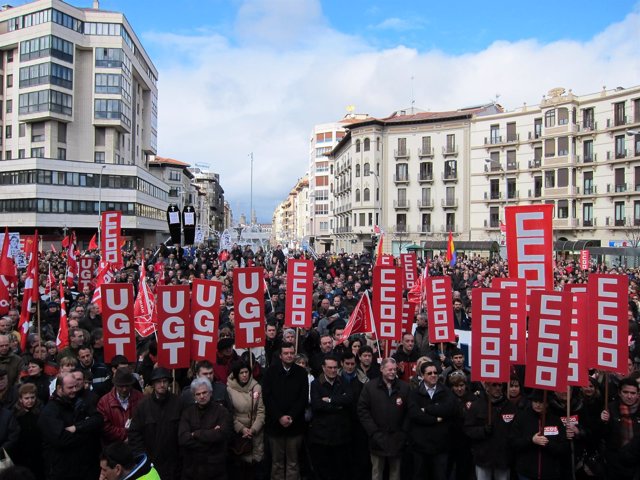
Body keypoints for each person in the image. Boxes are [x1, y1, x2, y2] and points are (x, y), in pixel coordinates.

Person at [38, 372, 104, 480]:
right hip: (62, 470)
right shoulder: (49, 412)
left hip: (85, 467)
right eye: (70, 387)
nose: (74, 390)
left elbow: (98, 419)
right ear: (59, 388)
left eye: (76, 386)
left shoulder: (80, 402)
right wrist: (88, 433)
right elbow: (63, 440)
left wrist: (77, 428)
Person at [262, 342, 309, 480]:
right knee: (277, 463)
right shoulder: (271, 372)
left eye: (291, 353)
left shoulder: (301, 373)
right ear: (281, 356)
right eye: (286, 353)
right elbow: (267, 397)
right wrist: (279, 416)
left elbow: (303, 397)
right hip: (275, 426)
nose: (289, 355)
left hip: (295, 425)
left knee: (293, 462)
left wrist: (291, 416)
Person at [357, 358, 410, 480]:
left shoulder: (404, 387)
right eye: (390, 369)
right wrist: (374, 432)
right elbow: (363, 410)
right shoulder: (370, 387)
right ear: (382, 369)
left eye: (395, 369)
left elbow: (409, 412)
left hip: (397, 439)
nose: (393, 372)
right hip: (377, 439)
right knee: (377, 472)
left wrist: (403, 433)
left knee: (395, 473)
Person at [129, 367, 181, 480]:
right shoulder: (143, 406)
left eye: (165, 381)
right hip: (150, 464)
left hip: (174, 464)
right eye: (158, 381)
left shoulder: (178, 403)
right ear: (153, 383)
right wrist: (143, 459)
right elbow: (134, 434)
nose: (162, 385)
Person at [407, 361, 457, 480]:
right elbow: (415, 415)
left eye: (435, 372)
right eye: (429, 373)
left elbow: (449, 409)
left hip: (441, 446)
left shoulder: (446, 392)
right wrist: (436, 419)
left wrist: (427, 409)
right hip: (420, 447)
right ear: (423, 376)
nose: (433, 375)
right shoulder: (414, 394)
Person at [309, 355, 353, 480]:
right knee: (323, 469)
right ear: (323, 368)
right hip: (322, 436)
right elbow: (317, 406)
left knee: (340, 469)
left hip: (341, 435)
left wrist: (329, 400)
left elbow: (349, 399)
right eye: (330, 367)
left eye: (335, 367)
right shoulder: (316, 384)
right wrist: (338, 405)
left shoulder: (343, 381)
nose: (333, 370)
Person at [178, 377, 232, 480]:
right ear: (194, 396)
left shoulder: (222, 411)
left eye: (204, 392)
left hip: (216, 470)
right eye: (198, 394)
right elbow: (183, 438)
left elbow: (222, 435)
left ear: (210, 393)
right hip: (192, 470)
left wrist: (195, 434)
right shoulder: (187, 413)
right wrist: (211, 436)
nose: (202, 396)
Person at [510, 389, 569, 480]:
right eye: (535, 401)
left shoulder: (556, 420)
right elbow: (513, 442)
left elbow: (563, 447)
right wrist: (531, 440)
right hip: (526, 472)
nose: (538, 405)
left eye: (541, 402)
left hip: (550, 473)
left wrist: (547, 443)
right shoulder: (522, 418)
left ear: (547, 403)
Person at [464, 381, 515, 480]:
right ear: (487, 386)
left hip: (503, 458)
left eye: (500, 385)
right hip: (483, 457)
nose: (497, 388)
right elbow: (468, 429)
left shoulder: (510, 407)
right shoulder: (476, 406)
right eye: (494, 385)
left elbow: (516, 430)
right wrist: (483, 431)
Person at [226, 361, 265, 480]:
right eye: (241, 372)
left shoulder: (256, 387)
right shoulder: (229, 389)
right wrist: (242, 429)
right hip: (239, 435)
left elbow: (261, 411)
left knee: (256, 469)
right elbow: (229, 414)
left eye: (246, 372)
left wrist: (253, 429)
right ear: (236, 374)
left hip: (255, 433)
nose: (244, 375)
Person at [599, 377, 640, 480]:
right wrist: (603, 422)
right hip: (615, 464)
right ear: (619, 392)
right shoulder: (610, 408)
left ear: (638, 394)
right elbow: (601, 435)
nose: (629, 396)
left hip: (636, 465)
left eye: (633, 393)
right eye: (625, 392)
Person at [97, 367, 144, 445]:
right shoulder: (104, 402)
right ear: (115, 384)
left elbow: (145, 422)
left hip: (136, 446)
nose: (124, 389)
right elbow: (105, 427)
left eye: (127, 386)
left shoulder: (141, 398)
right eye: (121, 386)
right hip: (113, 447)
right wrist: (126, 435)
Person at [12, 383, 45, 479]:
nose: (30, 401)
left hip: (39, 453)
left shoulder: (41, 412)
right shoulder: (15, 414)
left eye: (32, 397)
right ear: (20, 399)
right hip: (21, 454)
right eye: (26, 398)